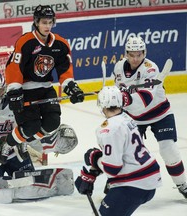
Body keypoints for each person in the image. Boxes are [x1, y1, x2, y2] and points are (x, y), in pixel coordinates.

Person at [0, 4, 84, 164]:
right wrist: (14, 92)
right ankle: (8, 142)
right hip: (25, 90)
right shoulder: (26, 42)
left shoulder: (61, 44)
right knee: (31, 126)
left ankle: (23, 140)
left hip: (45, 89)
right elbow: (14, 67)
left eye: (50, 22)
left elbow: (65, 70)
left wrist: (71, 87)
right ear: (36, 22)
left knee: (52, 123)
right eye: (44, 22)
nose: (47, 26)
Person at [113, 36, 187, 198]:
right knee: (125, 152)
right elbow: (117, 92)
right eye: (132, 54)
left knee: (169, 150)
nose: (135, 58)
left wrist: (124, 98)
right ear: (126, 54)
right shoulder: (118, 68)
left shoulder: (150, 68)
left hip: (160, 114)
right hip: (134, 118)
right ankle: (119, 183)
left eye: (139, 54)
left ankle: (182, 184)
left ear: (144, 53)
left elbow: (145, 100)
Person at [75, 86, 162, 216]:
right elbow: (121, 154)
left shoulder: (108, 129)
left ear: (101, 105)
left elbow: (112, 169)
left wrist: (94, 158)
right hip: (149, 179)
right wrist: (93, 170)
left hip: (134, 185)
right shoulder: (127, 118)